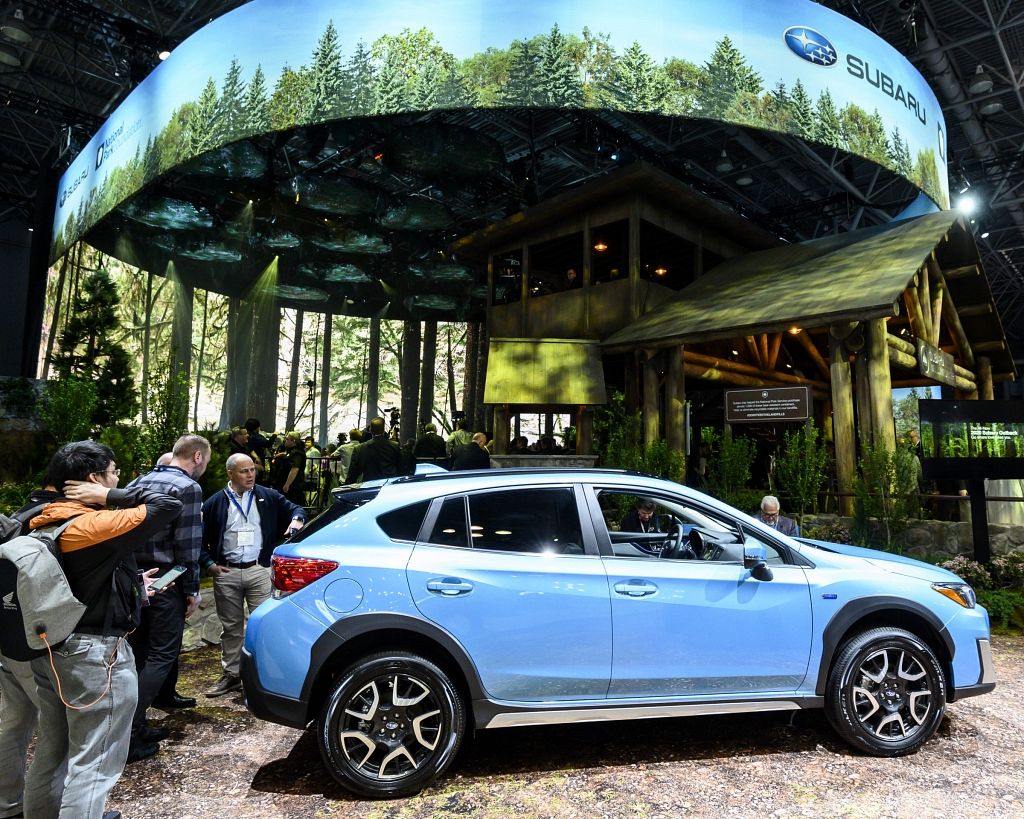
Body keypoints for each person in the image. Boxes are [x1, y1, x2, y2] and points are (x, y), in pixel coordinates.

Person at [24, 440, 182, 819]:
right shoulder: (92, 524)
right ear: (94, 479)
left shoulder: (43, 518)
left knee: (52, 751)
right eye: (113, 473)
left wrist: (132, 587)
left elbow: (76, 579)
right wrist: (110, 496)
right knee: (94, 763)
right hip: (95, 657)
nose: (118, 479)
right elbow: (167, 504)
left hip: (50, 648)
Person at [125, 434, 210, 762]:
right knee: (162, 654)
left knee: (139, 654)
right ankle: (130, 731)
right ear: (197, 456)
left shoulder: (138, 481)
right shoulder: (188, 488)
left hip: (136, 579)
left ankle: (136, 725)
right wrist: (191, 590)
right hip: (167, 580)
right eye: (206, 461)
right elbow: (188, 544)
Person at [200, 454, 305, 698]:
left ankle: (263, 677)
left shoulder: (267, 495)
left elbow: (296, 509)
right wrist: (208, 564)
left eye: (252, 470)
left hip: (259, 569)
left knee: (264, 625)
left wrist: (297, 520)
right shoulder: (215, 502)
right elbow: (197, 536)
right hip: (226, 571)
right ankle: (232, 674)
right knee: (231, 627)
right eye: (243, 471)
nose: (250, 475)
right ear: (230, 474)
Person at [347, 417, 403, 483]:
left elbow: (352, 474)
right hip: (390, 484)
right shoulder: (395, 446)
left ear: (370, 430)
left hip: (369, 485)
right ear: (383, 430)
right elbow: (401, 468)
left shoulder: (359, 448)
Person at [271, 431, 306, 506]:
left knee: (290, 504)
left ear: (293, 441)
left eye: (287, 439)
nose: (285, 441)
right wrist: (281, 454)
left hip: (293, 486)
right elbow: (288, 455)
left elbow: (295, 469)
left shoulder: (297, 453)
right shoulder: (291, 451)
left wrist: (287, 484)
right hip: (284, 482)